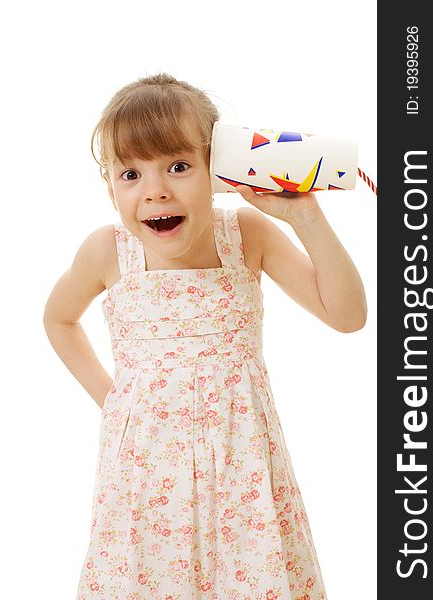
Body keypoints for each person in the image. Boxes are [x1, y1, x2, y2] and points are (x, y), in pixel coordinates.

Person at [43, 72, 366, 600]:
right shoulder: (108, 253)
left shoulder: (246, 236)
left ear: (218, 170)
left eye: (178, 166)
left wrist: (304, 217)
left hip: (243, 469)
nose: (155, 190)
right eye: (130, 173)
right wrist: (113, 399)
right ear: (110, 188)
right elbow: (58, 319)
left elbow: (348, 315)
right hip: (146, 474)